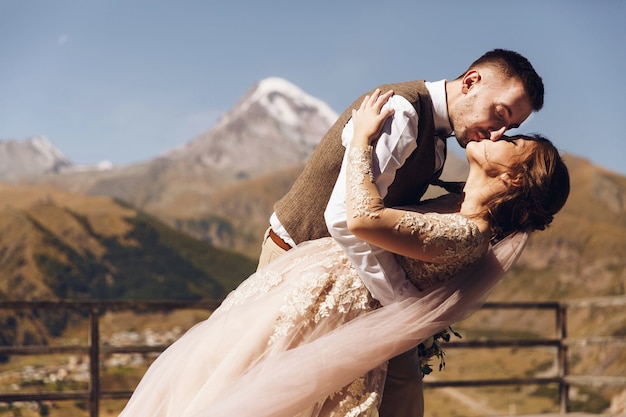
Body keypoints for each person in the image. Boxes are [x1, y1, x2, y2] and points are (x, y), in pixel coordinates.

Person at [118, 89, 569, 417]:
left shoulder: (467, 234)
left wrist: (359, 141)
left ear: (513, 180)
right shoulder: (458, 206)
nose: (499, 132)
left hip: (329, 315)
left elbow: (361, 220)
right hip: (313, 297)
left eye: (510, 141)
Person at [257, 48, 545, 416]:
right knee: (286, 394)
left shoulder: (440, 143)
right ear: (471, 82)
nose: (498, 132)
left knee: (396, 388)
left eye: (510, 128)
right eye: (500, 114)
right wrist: (406, 306)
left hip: (349, 283)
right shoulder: (402, 113)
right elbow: (346, 217)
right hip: (295, 262)